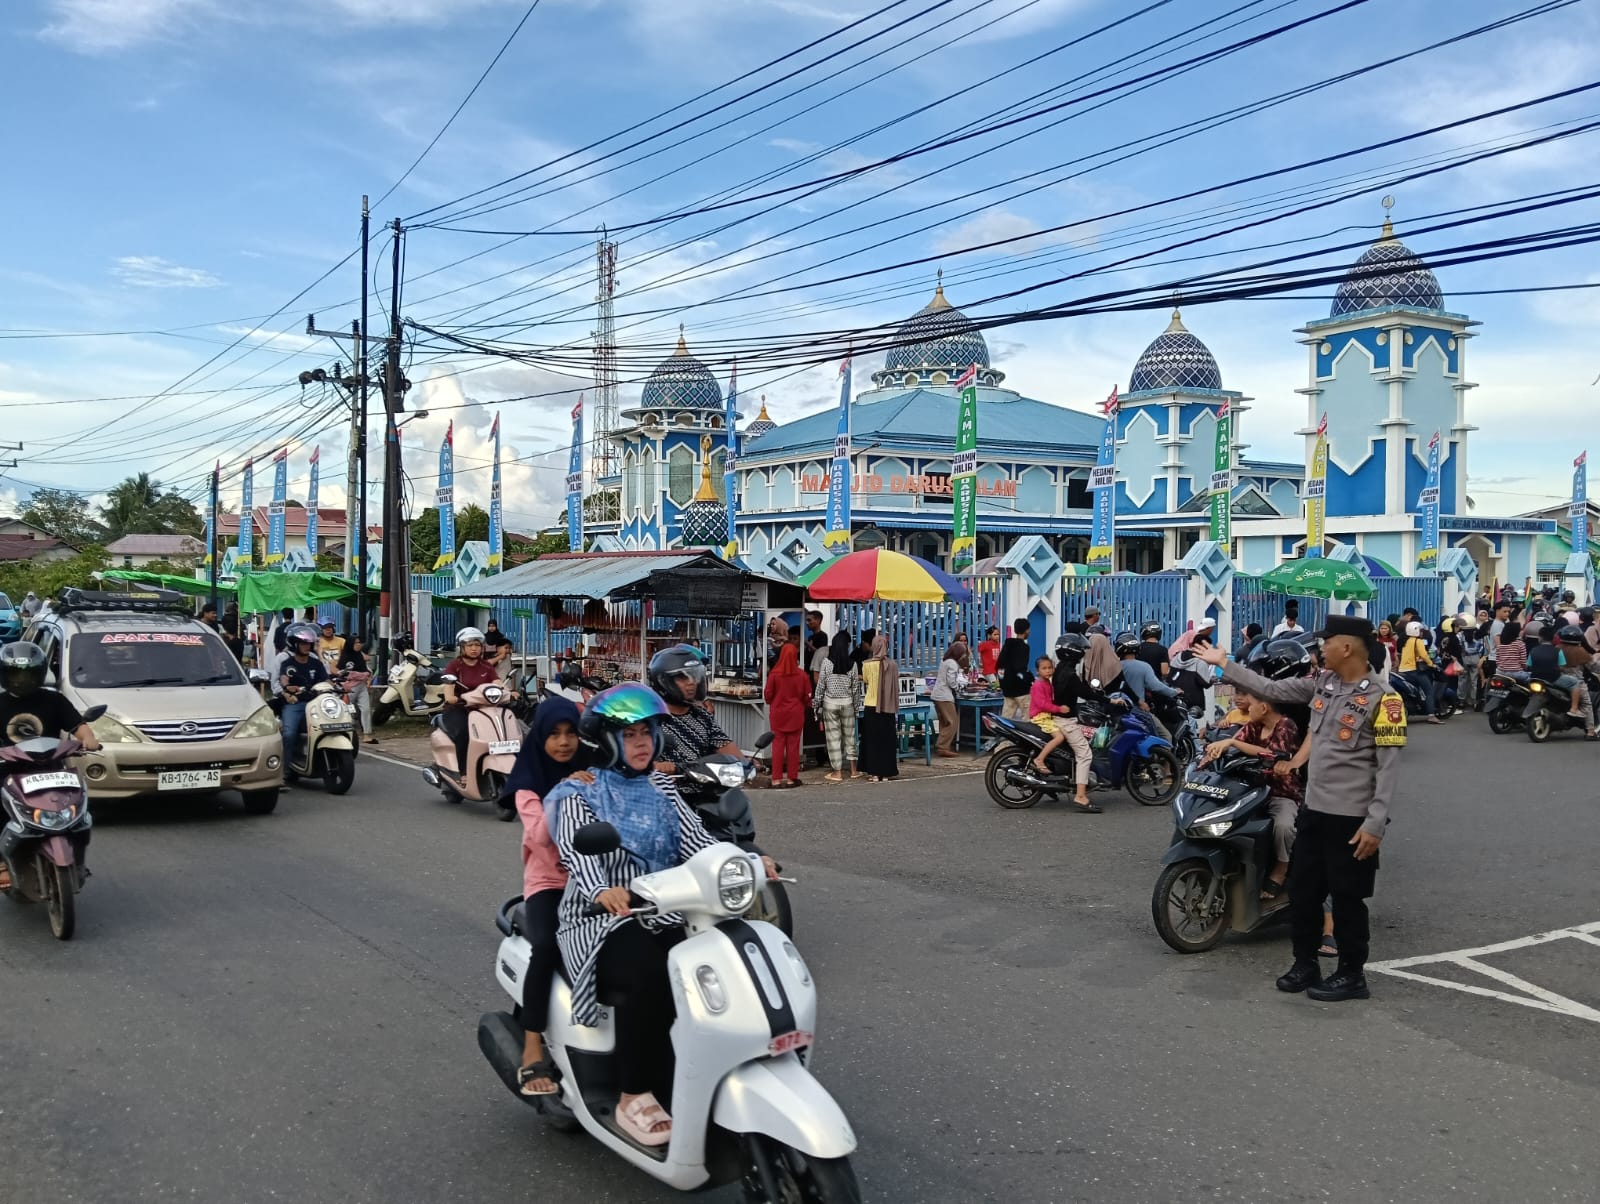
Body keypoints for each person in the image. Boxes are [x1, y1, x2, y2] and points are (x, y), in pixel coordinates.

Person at [544, 685, 776, 1147]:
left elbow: (698, 841)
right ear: (608, 741)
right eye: (629, 735)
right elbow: (576, 849)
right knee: (651, 973)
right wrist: (604, 890)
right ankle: (634, 1093)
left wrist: (747, 860)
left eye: (647, 732)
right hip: (604, 920)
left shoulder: (663, 787)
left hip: (671, 911)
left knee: (730, 960)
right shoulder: (578, 792)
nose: (642, 743)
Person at [1196, 615, 1404, 1003]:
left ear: (1347, 647)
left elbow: (1388, 767)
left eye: (1325, 642)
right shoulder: (1321, 684)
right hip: (1314, 810)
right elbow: (1269, 688)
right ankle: (1305, 962)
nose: (1319, 649)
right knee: (1305, 893)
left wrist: (1375, 823)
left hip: (1352, 818)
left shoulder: (1384, 699)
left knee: (1347, 899)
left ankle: (1351, 974)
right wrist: (1224, 663)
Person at [506, 696, 592, 1097]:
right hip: (551, 883)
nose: (563, 743)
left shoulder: (594, 767)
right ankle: (532, 1044)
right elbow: (541, 839)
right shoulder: (529, 783)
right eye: (554, 735)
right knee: (548, 946)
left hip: (597, 881)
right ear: (539, 736)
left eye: (570, 734)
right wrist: (563, 790)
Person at [0, 641, 102, 892]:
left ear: (39, 674)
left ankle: (75, 854)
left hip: (51, 769)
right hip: (8, 771)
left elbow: (79, 726)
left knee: (77, 808)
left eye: (28, 674)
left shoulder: (54, 700)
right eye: (16, 674)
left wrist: (89, 740)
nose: (21, 680)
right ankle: (2, 862)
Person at [1203, 689, 1302, 900]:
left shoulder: (1286, 726)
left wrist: (1232, 743)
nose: (1247, 707)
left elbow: (1273, 754)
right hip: (1249, 790)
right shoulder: (1254, 725)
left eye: (1251, 704)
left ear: (1264, 707)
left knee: (1283, 827)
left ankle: (1281, 868)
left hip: (1280, 792)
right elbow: (1234, 744)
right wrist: (1213, 753)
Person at [648, 645, 741, 775]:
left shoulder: (702, 716)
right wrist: (656, 766)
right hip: (668, 789)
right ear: (663, 682)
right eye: (682, 677)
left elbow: (724, 745)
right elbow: (632, 759)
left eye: (694, 676)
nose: (692, 682)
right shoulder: (650, 720)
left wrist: (745, 763)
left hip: (706, 787)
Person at [1041, 634, 1098, 811]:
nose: (1083, 654)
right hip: (1065, 721)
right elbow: (1086, 693)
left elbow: (1083, 690)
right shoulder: (1069, 674)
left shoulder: (1060, 669)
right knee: (1085, 754)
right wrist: (1108, 700)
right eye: (1081, 650)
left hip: (1058, 718)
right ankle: (1080, 796)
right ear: (1073, 652)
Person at [441, 627, 506, 773]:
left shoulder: (486, 666)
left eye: (477, 645)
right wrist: (455, 699)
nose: (474, 649)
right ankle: (463, 771)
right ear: (462, 648)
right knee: (464, 733)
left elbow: (497, 682)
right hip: (459, 709)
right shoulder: (454, 666)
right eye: (470, 645)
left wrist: (509, 692)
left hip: (482, 709)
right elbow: (449, 694)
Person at [278, 623, 329, 775]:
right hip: (296, 704)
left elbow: (325, 680)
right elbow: (284, 679)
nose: (307, 646)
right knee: (288, 734)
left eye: (309, 644)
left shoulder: (316, 663)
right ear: (295, 644)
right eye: (303, 643)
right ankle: (283, 772)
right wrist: (287, 688)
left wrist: (338, 685)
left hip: (315, 704)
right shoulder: (288, 664)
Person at [1113, 632, 1181, 742]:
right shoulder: (1144, 666)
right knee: (1166, 737)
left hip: (1115, 710)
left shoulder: (1114, 666)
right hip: (1137, 711)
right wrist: (1174, 692)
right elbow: (1156, 686)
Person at [813, 631, 862, 782]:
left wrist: (816, 705)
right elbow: (855, 689)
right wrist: (855, 708)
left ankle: (837, 772)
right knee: (850, 738)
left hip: (830, 704)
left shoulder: (827, 663)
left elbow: (821, 686)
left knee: (833, 739)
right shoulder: (852, 664)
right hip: (847, 703)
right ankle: (854, 770)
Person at [763, 643, 810, 787]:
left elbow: (768, 695)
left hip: (778, 715)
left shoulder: (774, 674)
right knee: (793, 747)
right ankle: (791, 778)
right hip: (796, 714)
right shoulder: (802, 675)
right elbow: (807, 697)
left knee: (777, 746)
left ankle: (776, 778)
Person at [857, 634, 900, 782]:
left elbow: (867, 680)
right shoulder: (893, 664)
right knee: (887, 740)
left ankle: (874, 773)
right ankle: (887, 772)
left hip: (871, 705)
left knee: (873, 740)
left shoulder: (867, 664)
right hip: (888, 707)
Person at [1554, 625, 1599, 738]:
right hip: (1577, 682)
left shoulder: (1556, 648)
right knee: (1587, 704)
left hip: (1557, 681)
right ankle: (1590, 732)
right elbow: (1593, 667)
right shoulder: (1581, 651)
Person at [1397, 621, 1443, 724]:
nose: (1422, 633)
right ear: (1416, 631)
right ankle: (1431, 715)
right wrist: (1432, 664)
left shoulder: (1404, 640)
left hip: (1402, 670)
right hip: (1414, 670)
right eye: (1421, 631)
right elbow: (1424, 655)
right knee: (1429, 691)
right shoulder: (1417, 641)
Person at [929, 641, 969, 758]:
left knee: (944, 721)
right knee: (953, 722)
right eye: (962, 653)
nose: (963, 656)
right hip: (944, 696)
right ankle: (942, 746)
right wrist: (961, 686)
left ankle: (943, 746)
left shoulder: (945, 661)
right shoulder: (953, 664)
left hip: (937, 694)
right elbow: (952, 682)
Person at [338, 633, 376, 744]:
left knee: (366, 709)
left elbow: (366, 671)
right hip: (349, 689)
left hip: (362, 687)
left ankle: (367, 734)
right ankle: (347, 734)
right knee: (348, 712)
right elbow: (343, 673)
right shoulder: (345, 657)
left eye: (359, 642)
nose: (359, 645)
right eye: (356, 643)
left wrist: (363, 675)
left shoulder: (359, 656)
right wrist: (361, 675)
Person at [997, 619, 1033, 720]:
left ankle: (1003, 736)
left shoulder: (1007, 645)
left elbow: (1000, 665)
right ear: (1026, 630)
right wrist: (1029, 679)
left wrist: (1002, 682)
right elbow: (1020, 668)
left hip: (1008, 689)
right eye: (1028, 629)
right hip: (1021, 690)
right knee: (1027, 719)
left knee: (1005, 720)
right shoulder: (1024, 647)